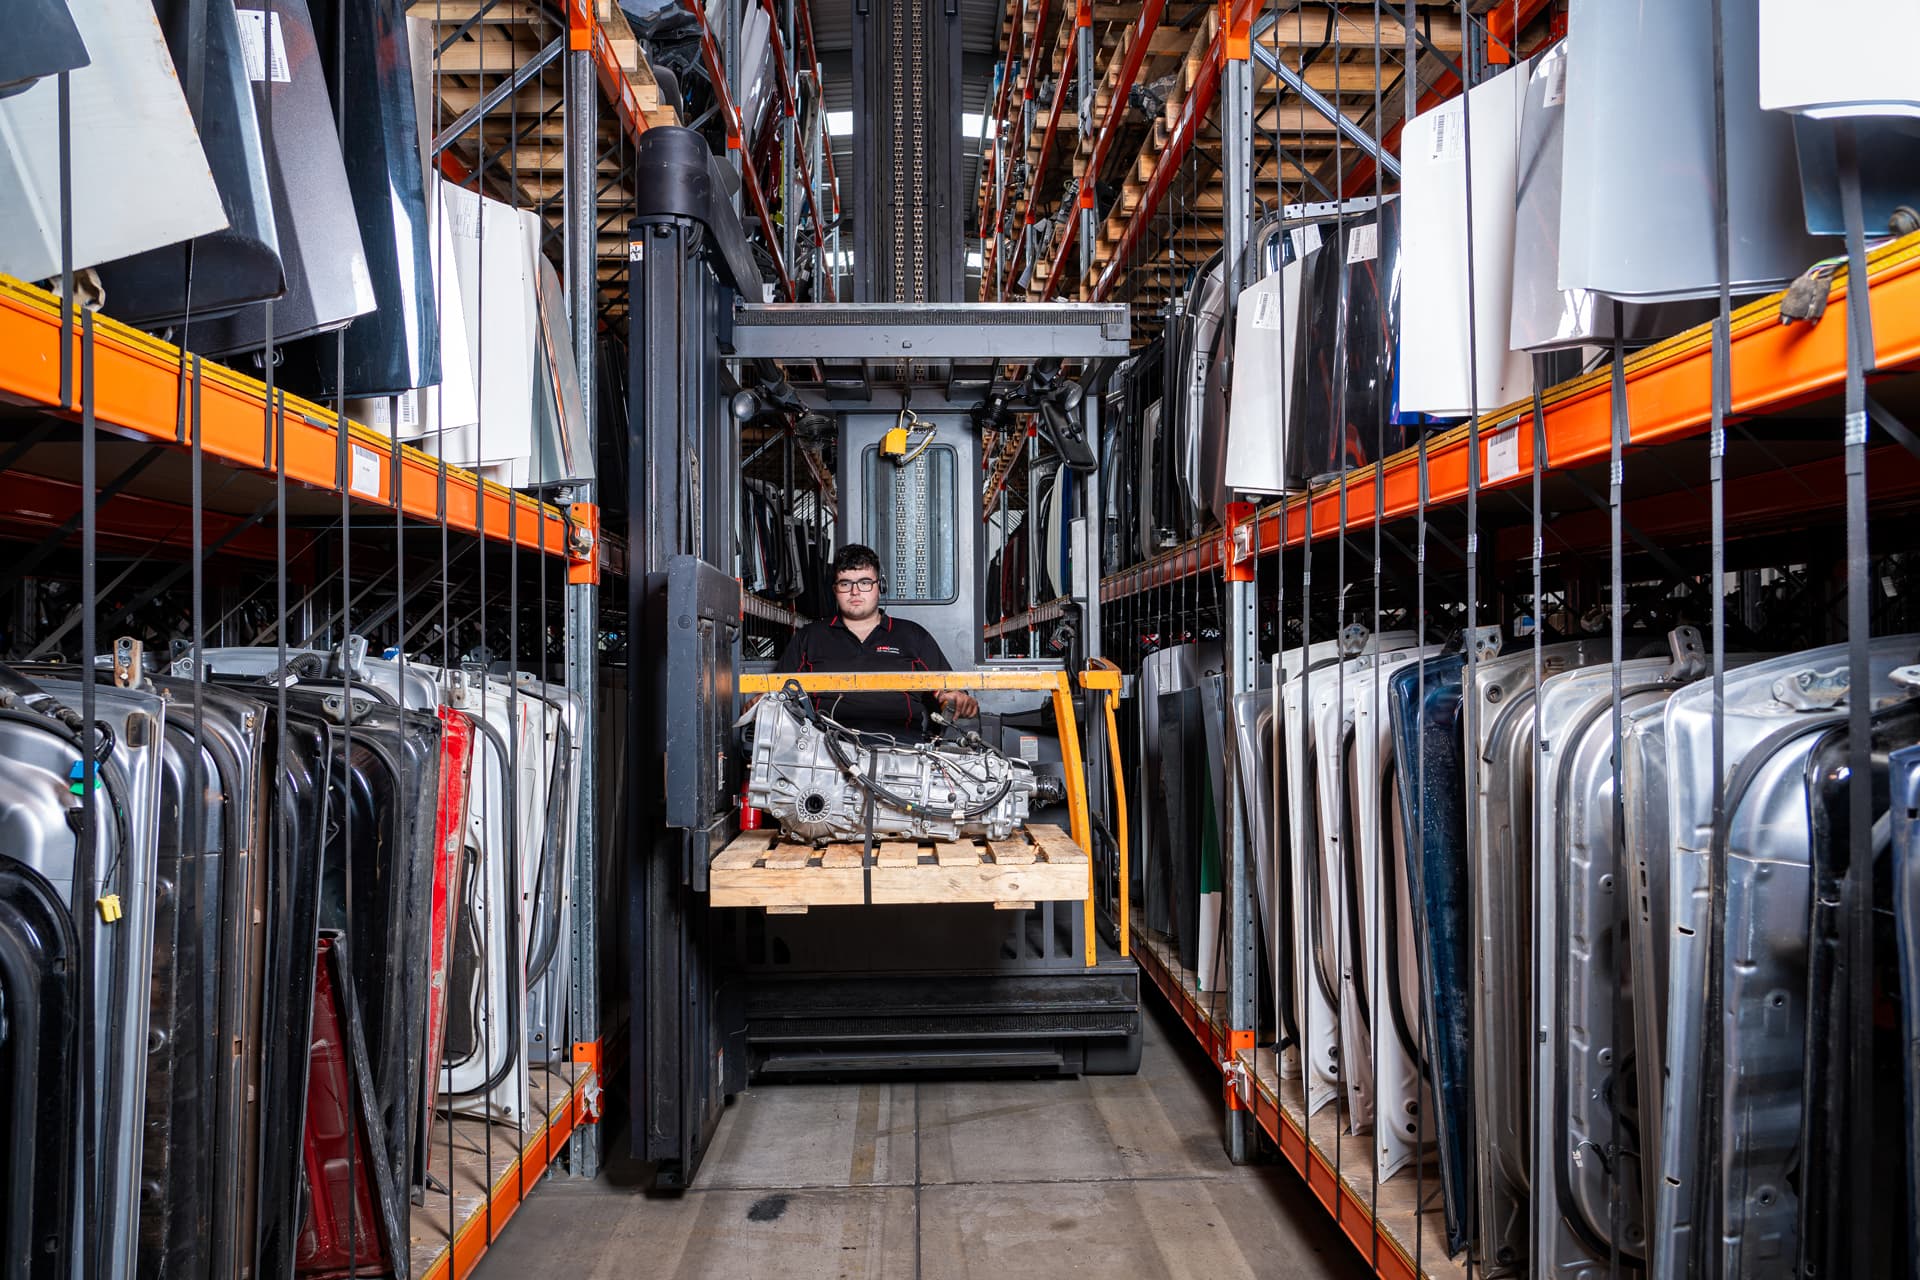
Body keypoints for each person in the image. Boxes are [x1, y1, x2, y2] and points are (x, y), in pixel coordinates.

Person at [775, 543, 980, 737]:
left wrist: (957, 698)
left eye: (864, 583)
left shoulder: (913, 636)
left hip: (902, 751)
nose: (855, 592)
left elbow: (951, 690)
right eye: (845, 583)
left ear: (879, 586)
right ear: (835, 589)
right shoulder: (809, 637)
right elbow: (775, 694)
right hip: (824, 750)